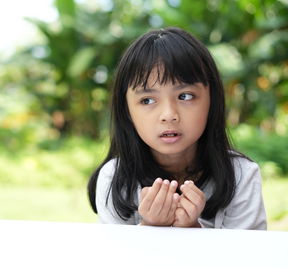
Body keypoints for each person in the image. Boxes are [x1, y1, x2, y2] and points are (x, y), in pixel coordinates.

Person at [87, 27, 267, 229]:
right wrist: (149, 227)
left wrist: (193, 230)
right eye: (147, 100)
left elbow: (249, 257)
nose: (168, 115)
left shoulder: (241, 175)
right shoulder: (115, 178)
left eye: (185, 96)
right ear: (126, 109)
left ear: (212, 100)